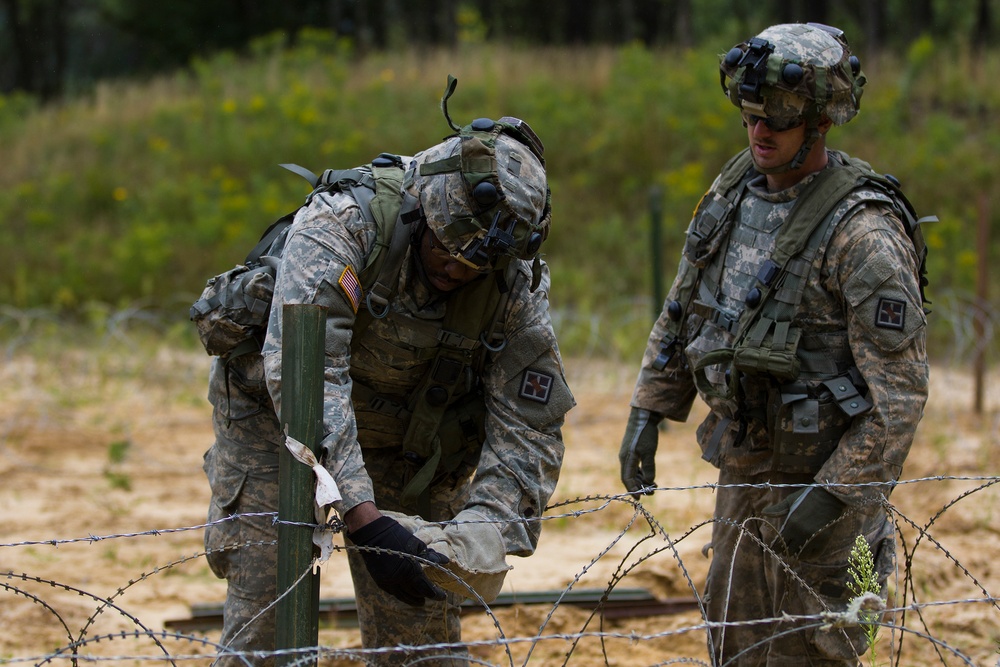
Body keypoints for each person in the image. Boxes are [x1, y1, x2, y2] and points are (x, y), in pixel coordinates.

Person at [202, 109, 574, 665]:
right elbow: (308, 375)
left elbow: (530, 425)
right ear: (422, 211)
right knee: (266, 634)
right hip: (275, 425)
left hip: (408, 440)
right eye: (445, 250)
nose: (456, 270)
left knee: (419, 645)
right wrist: (363, 516)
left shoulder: (509, 282)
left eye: (473, 264)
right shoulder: (342, 226)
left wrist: (475, 539)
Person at [618, 23, 929, 665]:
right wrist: (649, 408)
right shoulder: (732, 195)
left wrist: (837, 492)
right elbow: (684, 308)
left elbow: (899, 395)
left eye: (777, 124)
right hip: (742, 471)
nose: (759, 135)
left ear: (819, 124)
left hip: (824, 495)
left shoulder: (863, 235)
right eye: (749, 119)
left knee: (808, 653)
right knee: (732, 647)